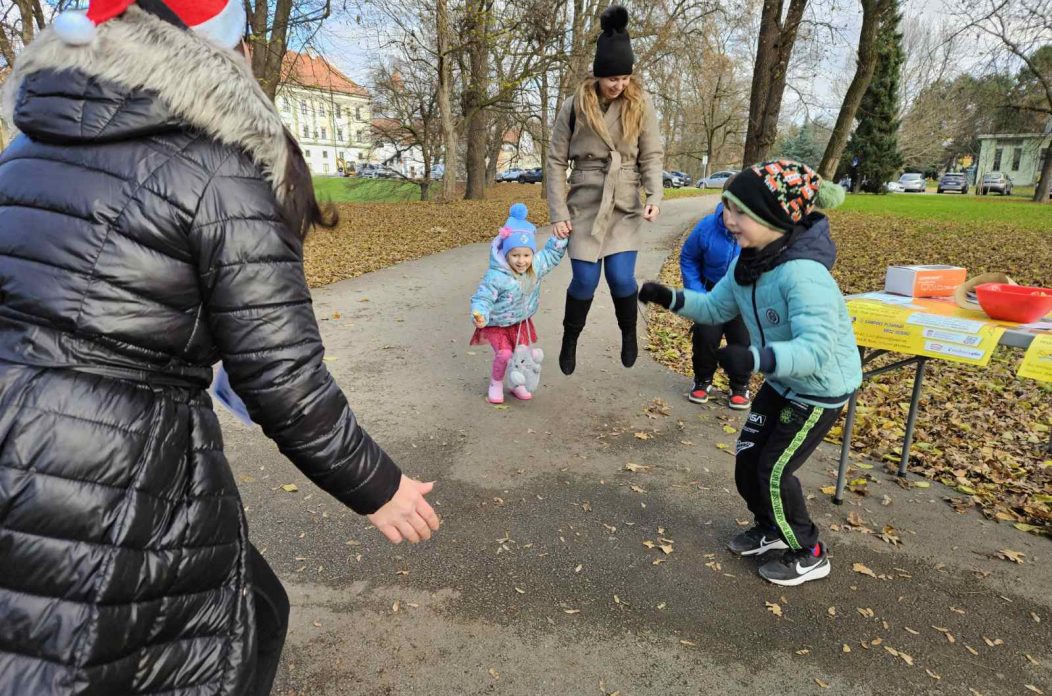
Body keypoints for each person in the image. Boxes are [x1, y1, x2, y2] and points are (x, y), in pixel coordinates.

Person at [0, 2, 438, 694]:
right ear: (218, 47)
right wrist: (379, 488)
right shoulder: (220, 165)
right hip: (115, 464)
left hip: (16, 435)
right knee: (209, 645)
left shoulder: (27, 147)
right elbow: (282, 376)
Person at [639, 160, 862, 587]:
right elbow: (714, 308)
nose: (728, 219)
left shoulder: (804, 274)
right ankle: (770, 527)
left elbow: (815, 351)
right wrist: (667, 297)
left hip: (817, 389)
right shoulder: (750, 263)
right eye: (726, 208)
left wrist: (756, 360)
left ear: (773, 216)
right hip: (783, 380)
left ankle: (809, 550)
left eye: (739, 212)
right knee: (746, 460)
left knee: (775, 470)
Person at [546, 4, 664, 376]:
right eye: (613, 78)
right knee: (584, 278)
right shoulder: (573, 105)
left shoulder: (640, 104)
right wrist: (558, 213)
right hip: (584, 200)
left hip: (625, 199)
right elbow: (553, 161)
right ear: (598, 74)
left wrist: (654, 195)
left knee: (620, 277)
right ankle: (570, 339)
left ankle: (629, 333)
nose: (619, 85)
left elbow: (652, 153)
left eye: (625, 78)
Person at [471, 204, 567, 404]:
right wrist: (480, 312)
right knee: (505, 354)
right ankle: (496, 383)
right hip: (497, 323)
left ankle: (518, 383)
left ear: (531, 254)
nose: (521, 261)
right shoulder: (496, 276)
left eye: (526, 255)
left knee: (522, 353)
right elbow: (484, 297)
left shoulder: (535, 267)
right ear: (506, 255)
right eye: (515, 255)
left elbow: (550, 255)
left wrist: (560, 237)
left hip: (519, 321)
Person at [679, 176, 752, 409]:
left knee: (741, 340)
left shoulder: (758, 230)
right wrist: (696, 292)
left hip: (742, 296)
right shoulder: (706, 227)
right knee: (705, 338)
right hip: (711, 293)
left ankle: (739, 385)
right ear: (724, 202)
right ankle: (702, 380)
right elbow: (689, 258)